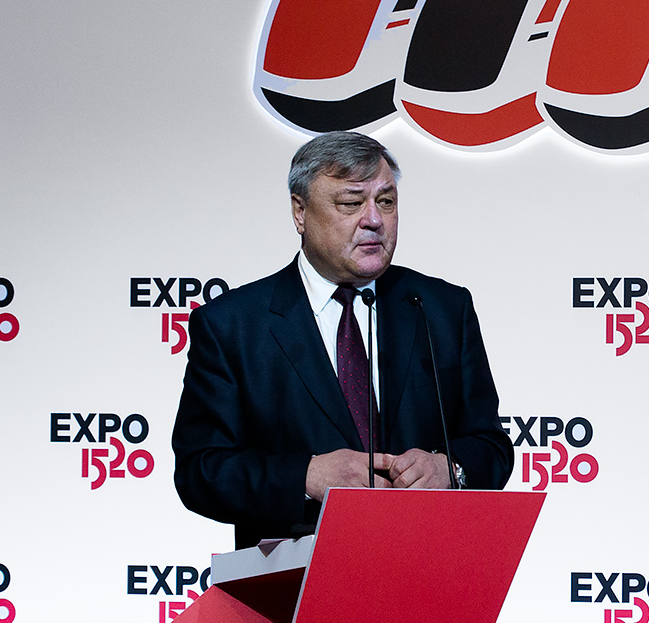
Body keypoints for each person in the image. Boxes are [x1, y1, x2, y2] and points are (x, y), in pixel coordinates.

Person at [172, 131, 513, 548]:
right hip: (294, 577)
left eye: (386, 201)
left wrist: (450, 469)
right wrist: (306, 476)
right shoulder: (233, 325)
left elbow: (490, 445)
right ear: (300, 212)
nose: (374, 220)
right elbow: (201, 471)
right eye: (351, 203)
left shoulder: (441, 309)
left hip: (426, 564)